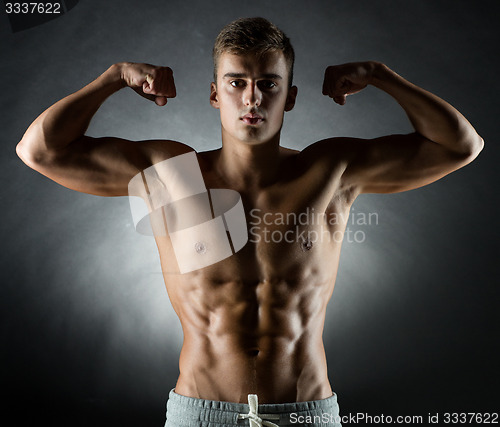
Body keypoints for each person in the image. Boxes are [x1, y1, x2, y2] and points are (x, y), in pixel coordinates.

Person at [16, 17, 483, 427]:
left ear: (291, 96)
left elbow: (460, 146)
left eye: (270, 83)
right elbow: (39, 150)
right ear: (216, 94)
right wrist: (114, 77)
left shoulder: (329, 170)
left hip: (306, 412)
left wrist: (382, 76)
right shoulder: (171, 173)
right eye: (237, 82)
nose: (253, 97)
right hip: (201, 413)